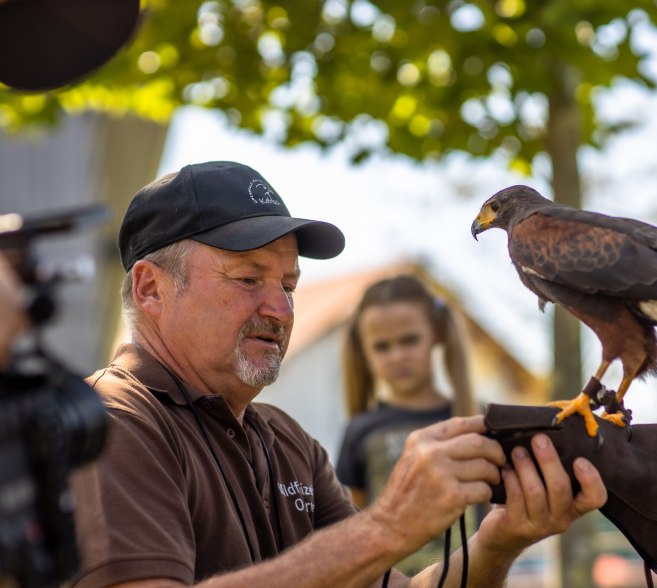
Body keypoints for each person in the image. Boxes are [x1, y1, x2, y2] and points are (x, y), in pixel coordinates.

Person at [66, 160, 607, 588]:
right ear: (151, 289)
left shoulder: (286, 440)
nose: (280, 308)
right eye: (249, 278)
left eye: (290, 285)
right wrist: (388, 526)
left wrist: (499, 540)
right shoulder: (112, 422)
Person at [335, 274, 479, 575]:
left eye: (410, 340)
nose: (398, 356)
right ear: (364, 350)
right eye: (382, 347)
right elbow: (353, 527)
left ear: (436, 333)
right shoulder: (360, 430)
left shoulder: (478, 420)